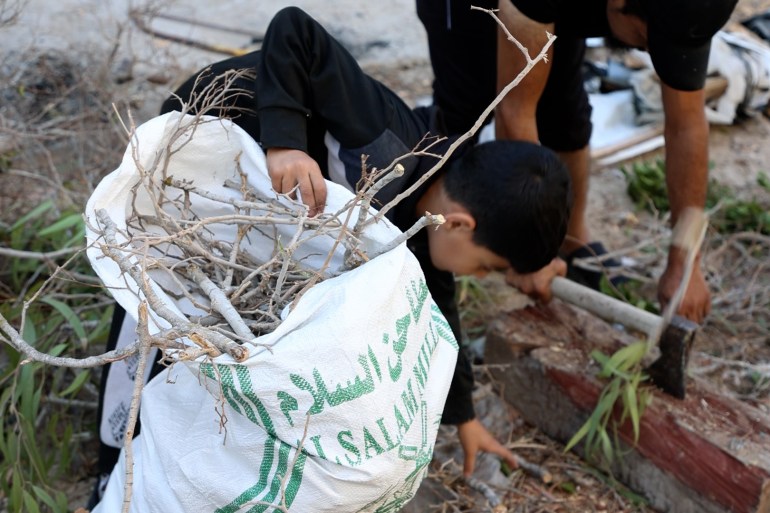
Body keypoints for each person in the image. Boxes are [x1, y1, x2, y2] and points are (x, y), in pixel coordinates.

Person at [87, 6, 573, 507]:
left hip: (264, 213)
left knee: (233, 317)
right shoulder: (381, 144)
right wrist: (285, 142)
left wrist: (463, 418)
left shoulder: (423, 215)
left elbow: (438, 304)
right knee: (159, 309)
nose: (475, 275)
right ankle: (111, 472)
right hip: (207, 155)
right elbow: (295, 30)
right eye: (487, 267)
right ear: (461, 224)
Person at [416, 0, 738, 323]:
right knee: (464, 113)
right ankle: (428, 239)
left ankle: (572, 238)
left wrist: (686, 259)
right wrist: (530, 254)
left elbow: (687, 126)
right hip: (471, 8)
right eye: (644, 39)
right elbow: (515, 110)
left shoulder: (687, 10)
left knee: (565, 114)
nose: (650, 54)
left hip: (546, 11)